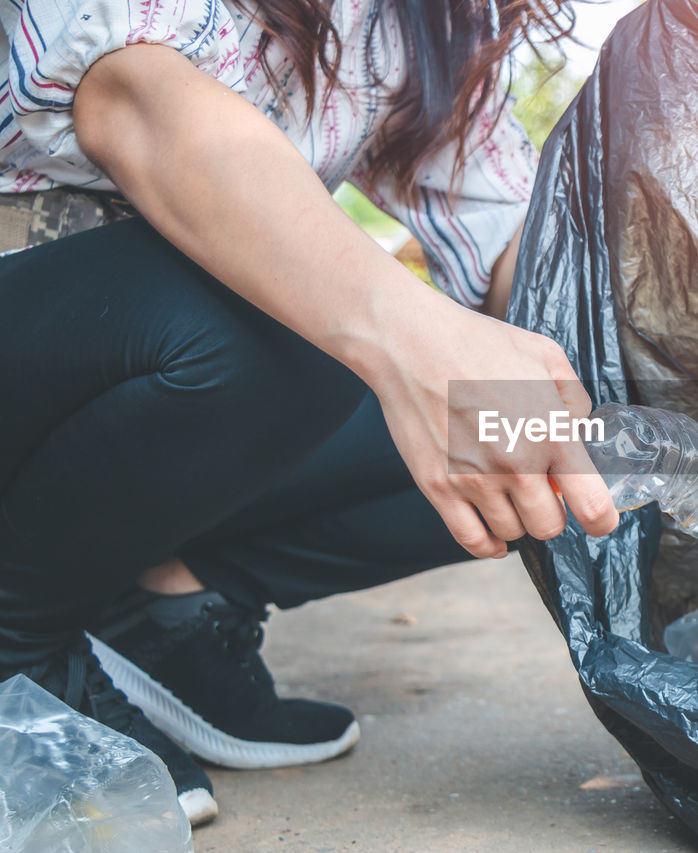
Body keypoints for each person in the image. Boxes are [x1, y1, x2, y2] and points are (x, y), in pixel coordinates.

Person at [0, 0, 620, 826]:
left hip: (122, 407)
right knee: (291, 317)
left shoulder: (415, 26)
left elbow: (515, 241)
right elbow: (136, 104)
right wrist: (408, 337)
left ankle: (160, 612)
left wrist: (682, 404)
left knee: (541, 426)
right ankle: (17, 637)